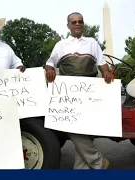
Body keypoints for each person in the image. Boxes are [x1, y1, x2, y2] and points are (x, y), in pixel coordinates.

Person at [45, 12, 113, 169]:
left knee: (86, 129)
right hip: (69, 94)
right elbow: (50, 62)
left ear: (83, 24)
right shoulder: (61, 45)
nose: (77, 24)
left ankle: (80, 169)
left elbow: (102, 63)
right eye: (73, 22)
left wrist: (107, 72)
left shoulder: (92, 42)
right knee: (73, 128)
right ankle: (99, 162)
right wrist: (50, 69)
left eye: (80, 21)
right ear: (68, 25)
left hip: (90, 92)